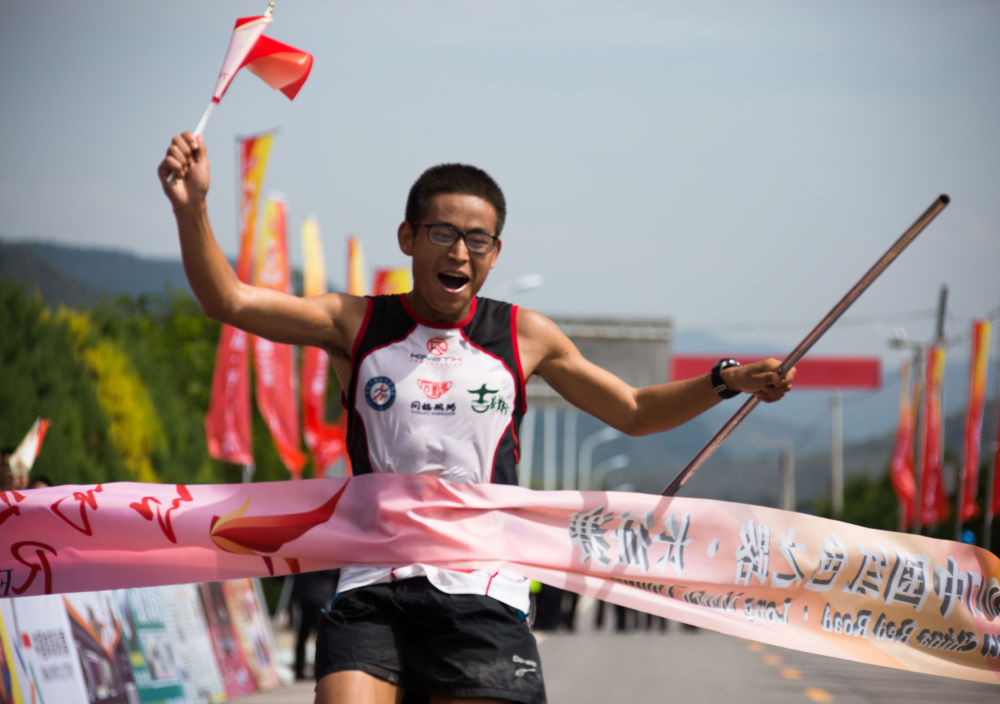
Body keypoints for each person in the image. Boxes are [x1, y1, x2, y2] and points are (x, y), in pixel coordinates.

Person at [158, 132, 795, 704]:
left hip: (482, 588)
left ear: (493, 254)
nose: (458, 251)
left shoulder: (525, 334)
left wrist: (725, 380)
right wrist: (194, 209)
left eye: (476, 239)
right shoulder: (354, 323)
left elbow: (631, 410)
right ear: (408, 238)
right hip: (373, 583)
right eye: (442, 233)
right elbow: (229, 300)